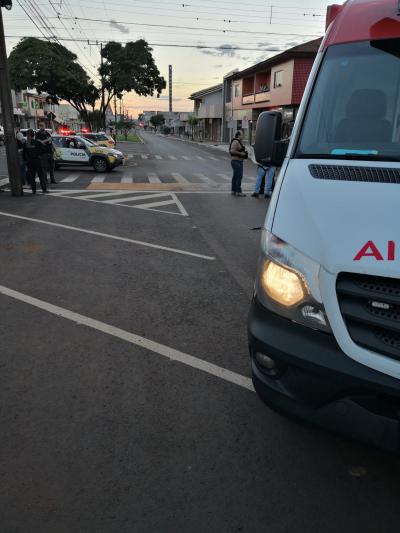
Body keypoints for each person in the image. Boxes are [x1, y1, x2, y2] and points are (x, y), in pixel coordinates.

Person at [23, 129, 48, 194]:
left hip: (30, 161)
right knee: (41, 175)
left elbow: (24, 153)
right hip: (37, 160)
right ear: (33, 135)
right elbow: (44, 150)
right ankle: (44, 189)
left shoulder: (25, 143)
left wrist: (26, 160)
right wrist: (39, 155)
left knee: (32, 176)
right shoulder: (37, 142)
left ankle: (34, 190)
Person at [230, 130, 248, 197]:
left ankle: (233, 190)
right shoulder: (235, 141)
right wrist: (241, 153)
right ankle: (238, 191)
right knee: (239, 176)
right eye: (242, 134)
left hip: (238, 161)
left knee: (235, 176)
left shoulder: (239, 142)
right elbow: (232, 150)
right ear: (239, 135)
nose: (243, 135)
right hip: (236, 161)